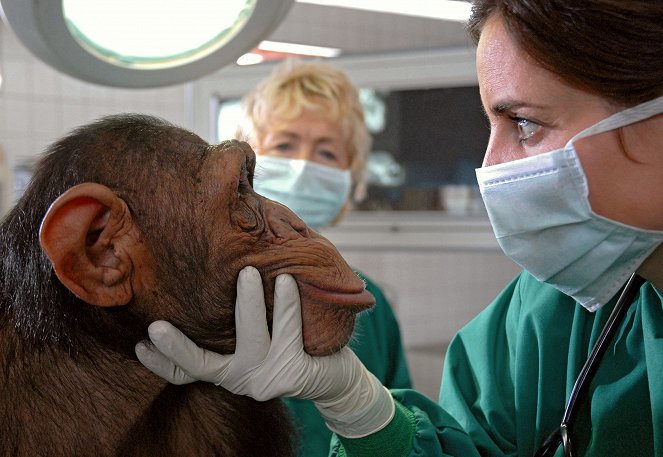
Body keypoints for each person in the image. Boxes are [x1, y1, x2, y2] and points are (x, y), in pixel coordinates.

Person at [135, 0, 663, 455]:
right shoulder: (551, 315)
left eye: (525, 123)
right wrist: (360, 409)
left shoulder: (366, 304)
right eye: (284, 146)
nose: (492, 168)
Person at [238, 59, 412, 456]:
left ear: (350, 175)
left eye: (327, 152)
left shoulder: (367, 303)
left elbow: (403, 434)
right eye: (284, 145)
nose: (304, 166)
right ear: (245, 164)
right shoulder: (208, 288)